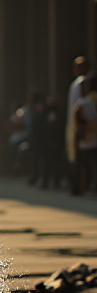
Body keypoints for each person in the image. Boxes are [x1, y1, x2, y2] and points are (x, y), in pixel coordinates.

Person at [67, 56, 88, 194]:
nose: (75, 69)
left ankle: (81, 186)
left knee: (81, 157)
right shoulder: (77, 83)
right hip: (73, 124)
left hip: (79, 125)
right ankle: (76, 185)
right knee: (75, 156)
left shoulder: (83, 83)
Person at [74, 77, 97, 194]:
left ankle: (85, 186)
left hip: (85, 138)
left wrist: (83, 128)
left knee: (85, 165)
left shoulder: (81, 103)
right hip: (93, 137)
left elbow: (77, 120)